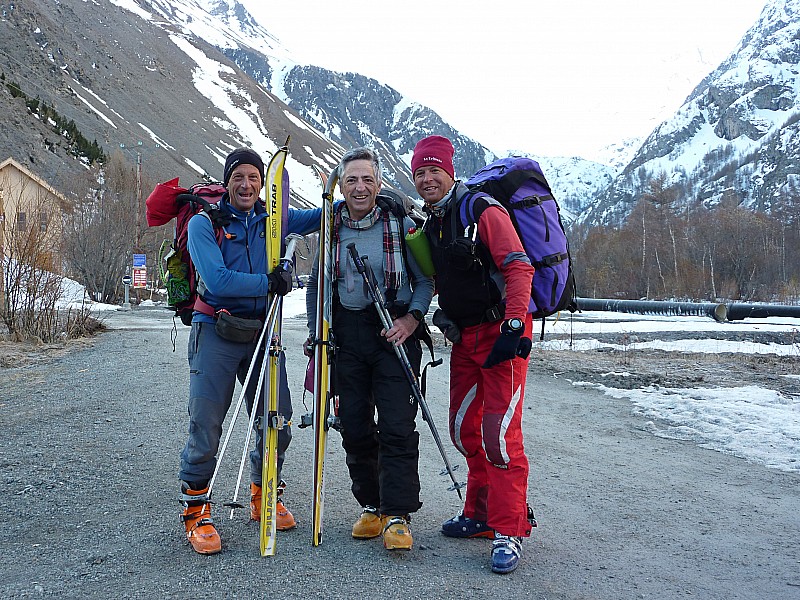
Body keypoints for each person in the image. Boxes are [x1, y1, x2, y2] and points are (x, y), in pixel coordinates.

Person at [178, 147, 322, 555]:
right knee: (206, 425)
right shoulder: (205, 225)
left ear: (263, 183)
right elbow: (218, 279)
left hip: (263, 334)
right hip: (217, 330)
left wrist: (357, 197)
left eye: (254, 178)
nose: (246, 184)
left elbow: (322, 216)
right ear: (227, 181)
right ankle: (196, 509)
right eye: (238, 176)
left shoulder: (274, 219)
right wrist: (270, 282)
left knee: (279, 420)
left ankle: (264, 492)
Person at [411, 135, 536, 574]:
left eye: (434, 170)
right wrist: (445, 315)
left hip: (502, 335)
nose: (427, 178)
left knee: (500, 437)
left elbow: (519, 266)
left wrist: (516, 325)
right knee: (465, 428)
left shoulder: (481, 210)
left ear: (450, 171)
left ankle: (509, 528)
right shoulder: (434, 222)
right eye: (420, 172)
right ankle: (480, 514)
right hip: (466, 340)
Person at [305, 147, 434, 551]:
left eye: (367, 180)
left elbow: (426, 281)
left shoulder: (401, 223)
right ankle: (372, 505)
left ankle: (398, 513)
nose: (360, 187)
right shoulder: (331, 227)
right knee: (355, 424)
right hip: (347, 334)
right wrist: (317, 331)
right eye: (351, 181)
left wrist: (411, 319)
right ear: (340, 187)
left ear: (379, 184)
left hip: (394, 330)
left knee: (397, 424)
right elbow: (316, 286)